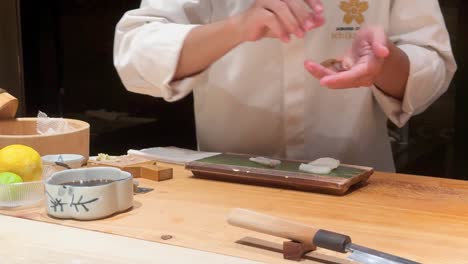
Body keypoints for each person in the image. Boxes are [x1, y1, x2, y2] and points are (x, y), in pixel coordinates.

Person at [113, 0, 456, 172]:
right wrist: (237, 28)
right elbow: (135, 52)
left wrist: (385, 63)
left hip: (359, 184)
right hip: (227, 186)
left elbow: (433, 58)